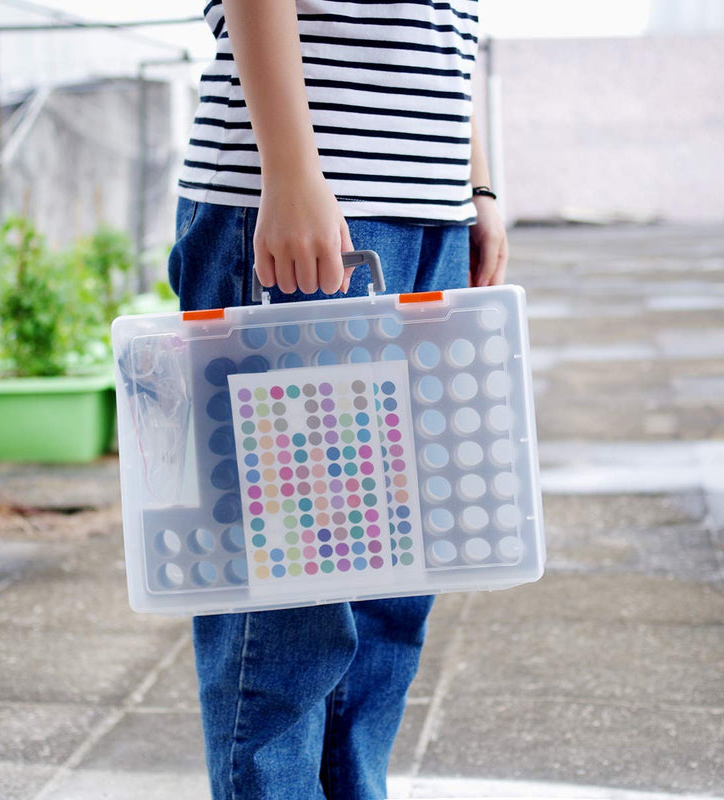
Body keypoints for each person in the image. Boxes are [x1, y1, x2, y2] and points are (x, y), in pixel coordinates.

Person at [168, 2, 508, 798]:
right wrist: (289, 171)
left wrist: (476, 182)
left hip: (429, 216)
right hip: (305, 208)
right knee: (287, 602)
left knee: (395, 584)